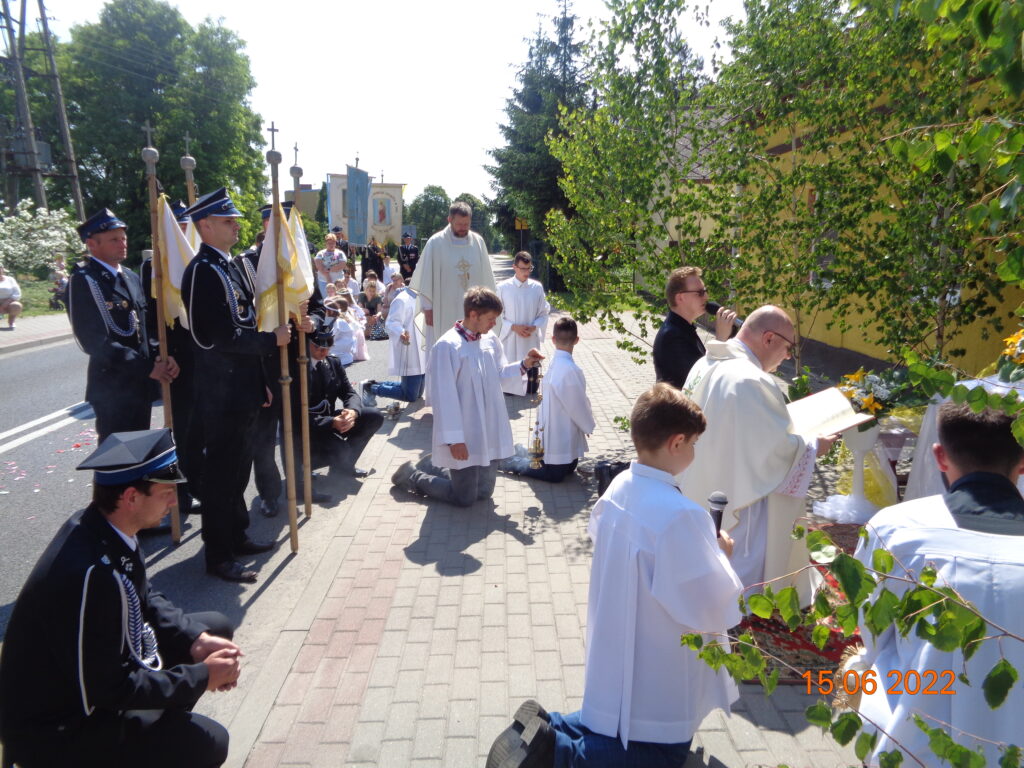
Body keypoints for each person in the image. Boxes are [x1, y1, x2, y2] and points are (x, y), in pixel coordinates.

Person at [486, 384, 742, 768]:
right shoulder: (683, 515)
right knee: (660, 749)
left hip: (617, 637)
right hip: (658, 651)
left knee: (609, 717)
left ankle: (549, 726)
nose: (694, 451)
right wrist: (722, 557)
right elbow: (708, 601)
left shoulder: (622, 485)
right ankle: (558, 755)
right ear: (676, 443)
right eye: (693, 443)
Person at [0, 429, 241, 768]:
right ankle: (157, 741)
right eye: (166, 492)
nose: (174, 501)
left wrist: (195, 639)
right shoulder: (90, 576)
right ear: (131, 497)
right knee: (209, 743)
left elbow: (143, 594)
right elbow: (109, 688)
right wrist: (199, 678)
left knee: (211, 629)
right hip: (59, 731)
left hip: (91, 690)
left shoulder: (101, 526)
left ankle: (161, 731)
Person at [852, 403, 1024, 765]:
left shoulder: (896, 528)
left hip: (915, 739)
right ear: (1022, 463)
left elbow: (873, 631)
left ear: (940, 456)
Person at [680, 305, 838, 599]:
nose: (788, 356)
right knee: (742, 572)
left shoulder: (706, 363)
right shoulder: (751, 380)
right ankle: (743, 605)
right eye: (788, 347)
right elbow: (774, 450)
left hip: (700, 482)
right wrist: (815, 446)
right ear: (768, 338)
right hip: (738, 496)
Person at [180, 188, 288, 582]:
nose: (236, 226)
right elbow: (215, 337)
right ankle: (218, 554)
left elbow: (245, 320)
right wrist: (270, 341)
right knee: (222, 475)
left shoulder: (229, 266)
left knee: (239, 470)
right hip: (220, 393)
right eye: (227, 221)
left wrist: (261, 382)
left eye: (235, 220)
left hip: (243, 388)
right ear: (205, 226)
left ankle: (236, 535)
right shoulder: (202, 271)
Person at [391, 287, 542, 507]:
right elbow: (444, 398)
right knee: (464, 498)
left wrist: (525, 364)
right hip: (465, 432)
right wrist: (454, 440)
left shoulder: (490, 340)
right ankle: (412, 475)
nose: (494, 324)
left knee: (484, 493)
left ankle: (435, 465)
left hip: (489, 428)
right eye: (491, 319)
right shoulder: (447, 347)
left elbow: (499, 373)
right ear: (473, 314)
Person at [68, 209, 178, 441]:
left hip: (140, 384)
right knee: (117, 454)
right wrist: (146, 367)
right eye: (114, 240)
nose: (122, 244)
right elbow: (94, 341)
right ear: (92, 244)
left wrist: (161, 356)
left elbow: (145, 326)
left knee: (138, 450)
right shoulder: (85, 281)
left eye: (123, 238)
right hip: (113, 387)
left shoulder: (130, 276)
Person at [500, 317, 595, 483]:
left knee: (569, 469)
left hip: (558, 430)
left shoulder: (555, 362)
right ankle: (508, 462)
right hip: (557, 433)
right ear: (577, 340)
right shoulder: (570, 369)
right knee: (555, 476)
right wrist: (587, 425)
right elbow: (577, 405)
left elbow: (576, 401)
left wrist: (585, 424)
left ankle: (520, 450)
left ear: (553, 339)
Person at [304, 323, 384, 493]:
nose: (323, 352)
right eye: (317, 347)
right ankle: (305, 467)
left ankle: (344, 467)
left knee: (373, 416)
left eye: (327, 347)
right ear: (307, 344)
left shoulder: (332, 362)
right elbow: (294, 415)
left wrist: (352, 412)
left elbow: (348, 392)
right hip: (308, 429)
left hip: (329, 422)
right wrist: (331, 422)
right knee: (341, 450)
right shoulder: (298, 369)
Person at [409, 201, 497, 349]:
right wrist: (428, 308)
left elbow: (487, 278)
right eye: (459, 224)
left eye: (466, 224)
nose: (463, 228)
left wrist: (489, 308)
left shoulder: (478, 242)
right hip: (442, 309)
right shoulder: (435, 243)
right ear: (449, 219)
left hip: (475, 310)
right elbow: (426, 278)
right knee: (443, 348)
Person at [653, 265, 736, 389]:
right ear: (680, 298)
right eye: (700, 293)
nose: (706, 297)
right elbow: (699, 380)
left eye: (705, 291)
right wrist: (720, 340)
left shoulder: (685, 328)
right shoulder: (672, 335)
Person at [361, 283, 427, 406]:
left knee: (417, 393)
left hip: (422, 349)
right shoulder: (402, 299)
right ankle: (371, 389)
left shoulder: (423, 297)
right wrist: (401, 332)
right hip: (409, 349)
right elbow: (391, 323)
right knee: (410, 395)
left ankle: (372, 384)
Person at [497, 252, 550, 395]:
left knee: (531, 390)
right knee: (509, 389)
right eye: (523, 269)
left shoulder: (537, 288)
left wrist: (534, 326)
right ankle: (510, 387)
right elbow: (497, 314)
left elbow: (543, 312)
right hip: (510, 338)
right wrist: (513, 327)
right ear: (514, 267)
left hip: (530, 338)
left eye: (529, 268)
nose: (526, 272)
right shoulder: (503, 287)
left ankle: (531, 385)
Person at [0, 262, 23, 329]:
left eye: (0, 268)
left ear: (3, 270)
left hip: (9, 301)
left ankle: (11, 322)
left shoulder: (10, 279)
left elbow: (17, 292)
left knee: (16, 306)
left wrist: (6, 303)